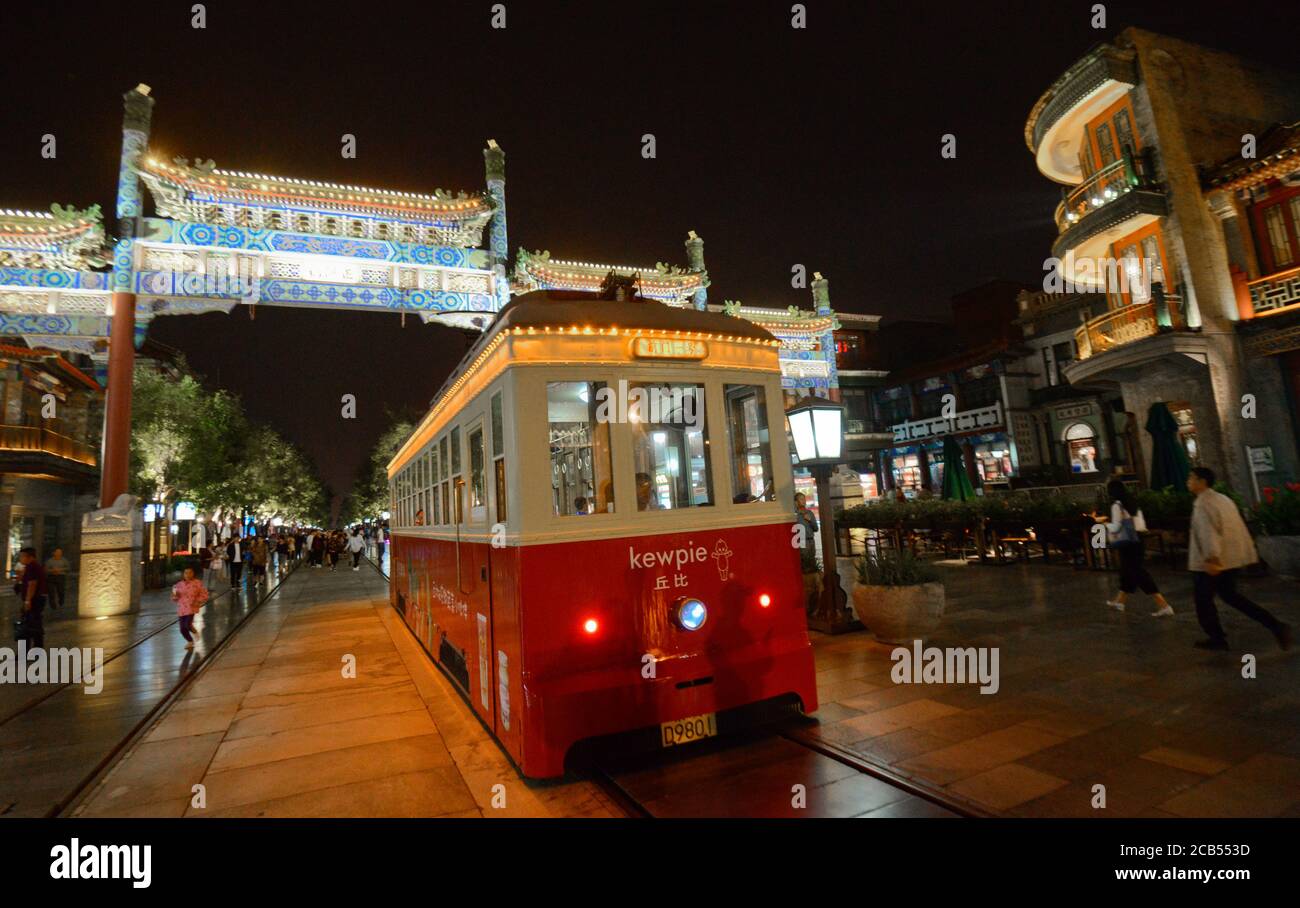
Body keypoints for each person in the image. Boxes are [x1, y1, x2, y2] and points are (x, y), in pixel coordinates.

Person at [1186, 466, 1291, 651]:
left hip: (1213, 563)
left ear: (1202, 482)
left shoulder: (1203, 503)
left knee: (1203, 600)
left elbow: (1208, 533)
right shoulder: (1223, 499)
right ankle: (1275, 625)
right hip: (1230, 559)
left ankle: (1217, 637)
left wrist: (1211, 558)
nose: (1189, 481)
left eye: (1191, 478)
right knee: (1231, 596)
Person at [1102, 479, 1174, 617]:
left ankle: (1164, 605)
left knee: (1138, 572)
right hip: (1138, 539)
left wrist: (1106, 525)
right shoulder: (1133, 503)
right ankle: (1120, 601)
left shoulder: (1117, 505)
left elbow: (1117, 527)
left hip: (1127, 542)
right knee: (1127, 571)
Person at [15, 548, 48, 649]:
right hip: (36, 599)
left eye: (22, 556)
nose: (20, 558)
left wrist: (28, 600)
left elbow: (32, 584)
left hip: (34, 600)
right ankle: (36, 649)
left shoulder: (32, 567)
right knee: (32, 625)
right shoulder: (30, 567)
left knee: (29, 626)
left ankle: (29, 651)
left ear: (30, 557)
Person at [171, 566, 209, 650]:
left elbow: (205, 595)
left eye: (190, 573)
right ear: (183, 574)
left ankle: (195, 632)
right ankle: (190, 641)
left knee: (187, 624)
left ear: (193, 573)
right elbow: (175, 598)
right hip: (182, 608)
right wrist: (174, 596)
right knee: (182, 628)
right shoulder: (178, 585)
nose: (188, 575)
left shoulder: (197, 583)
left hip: (191, 607)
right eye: (186, 573)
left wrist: (197, 601)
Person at [794, 492, 819, 557]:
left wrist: (810, 520)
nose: (804, 501)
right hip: (801, 541)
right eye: (801, 499)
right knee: (805, 562)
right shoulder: (795, 515)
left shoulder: (810, 513)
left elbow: (816, 529)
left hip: (811, 540)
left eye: (804, 499)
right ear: (796, 502)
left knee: (812, 561)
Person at [45, 547, 70, 611]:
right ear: (54, 553)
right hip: (51, 577)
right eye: (57, 552)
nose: (59, 553)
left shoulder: (64, 560)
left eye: (60, 552)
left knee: (61, 591)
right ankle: (53, 606)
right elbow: (46, 569)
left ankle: (61, 602)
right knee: (51, 592)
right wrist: (52, 570)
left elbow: (68, 568)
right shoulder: (50, 561)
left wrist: (60, 570)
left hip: (61, 577)